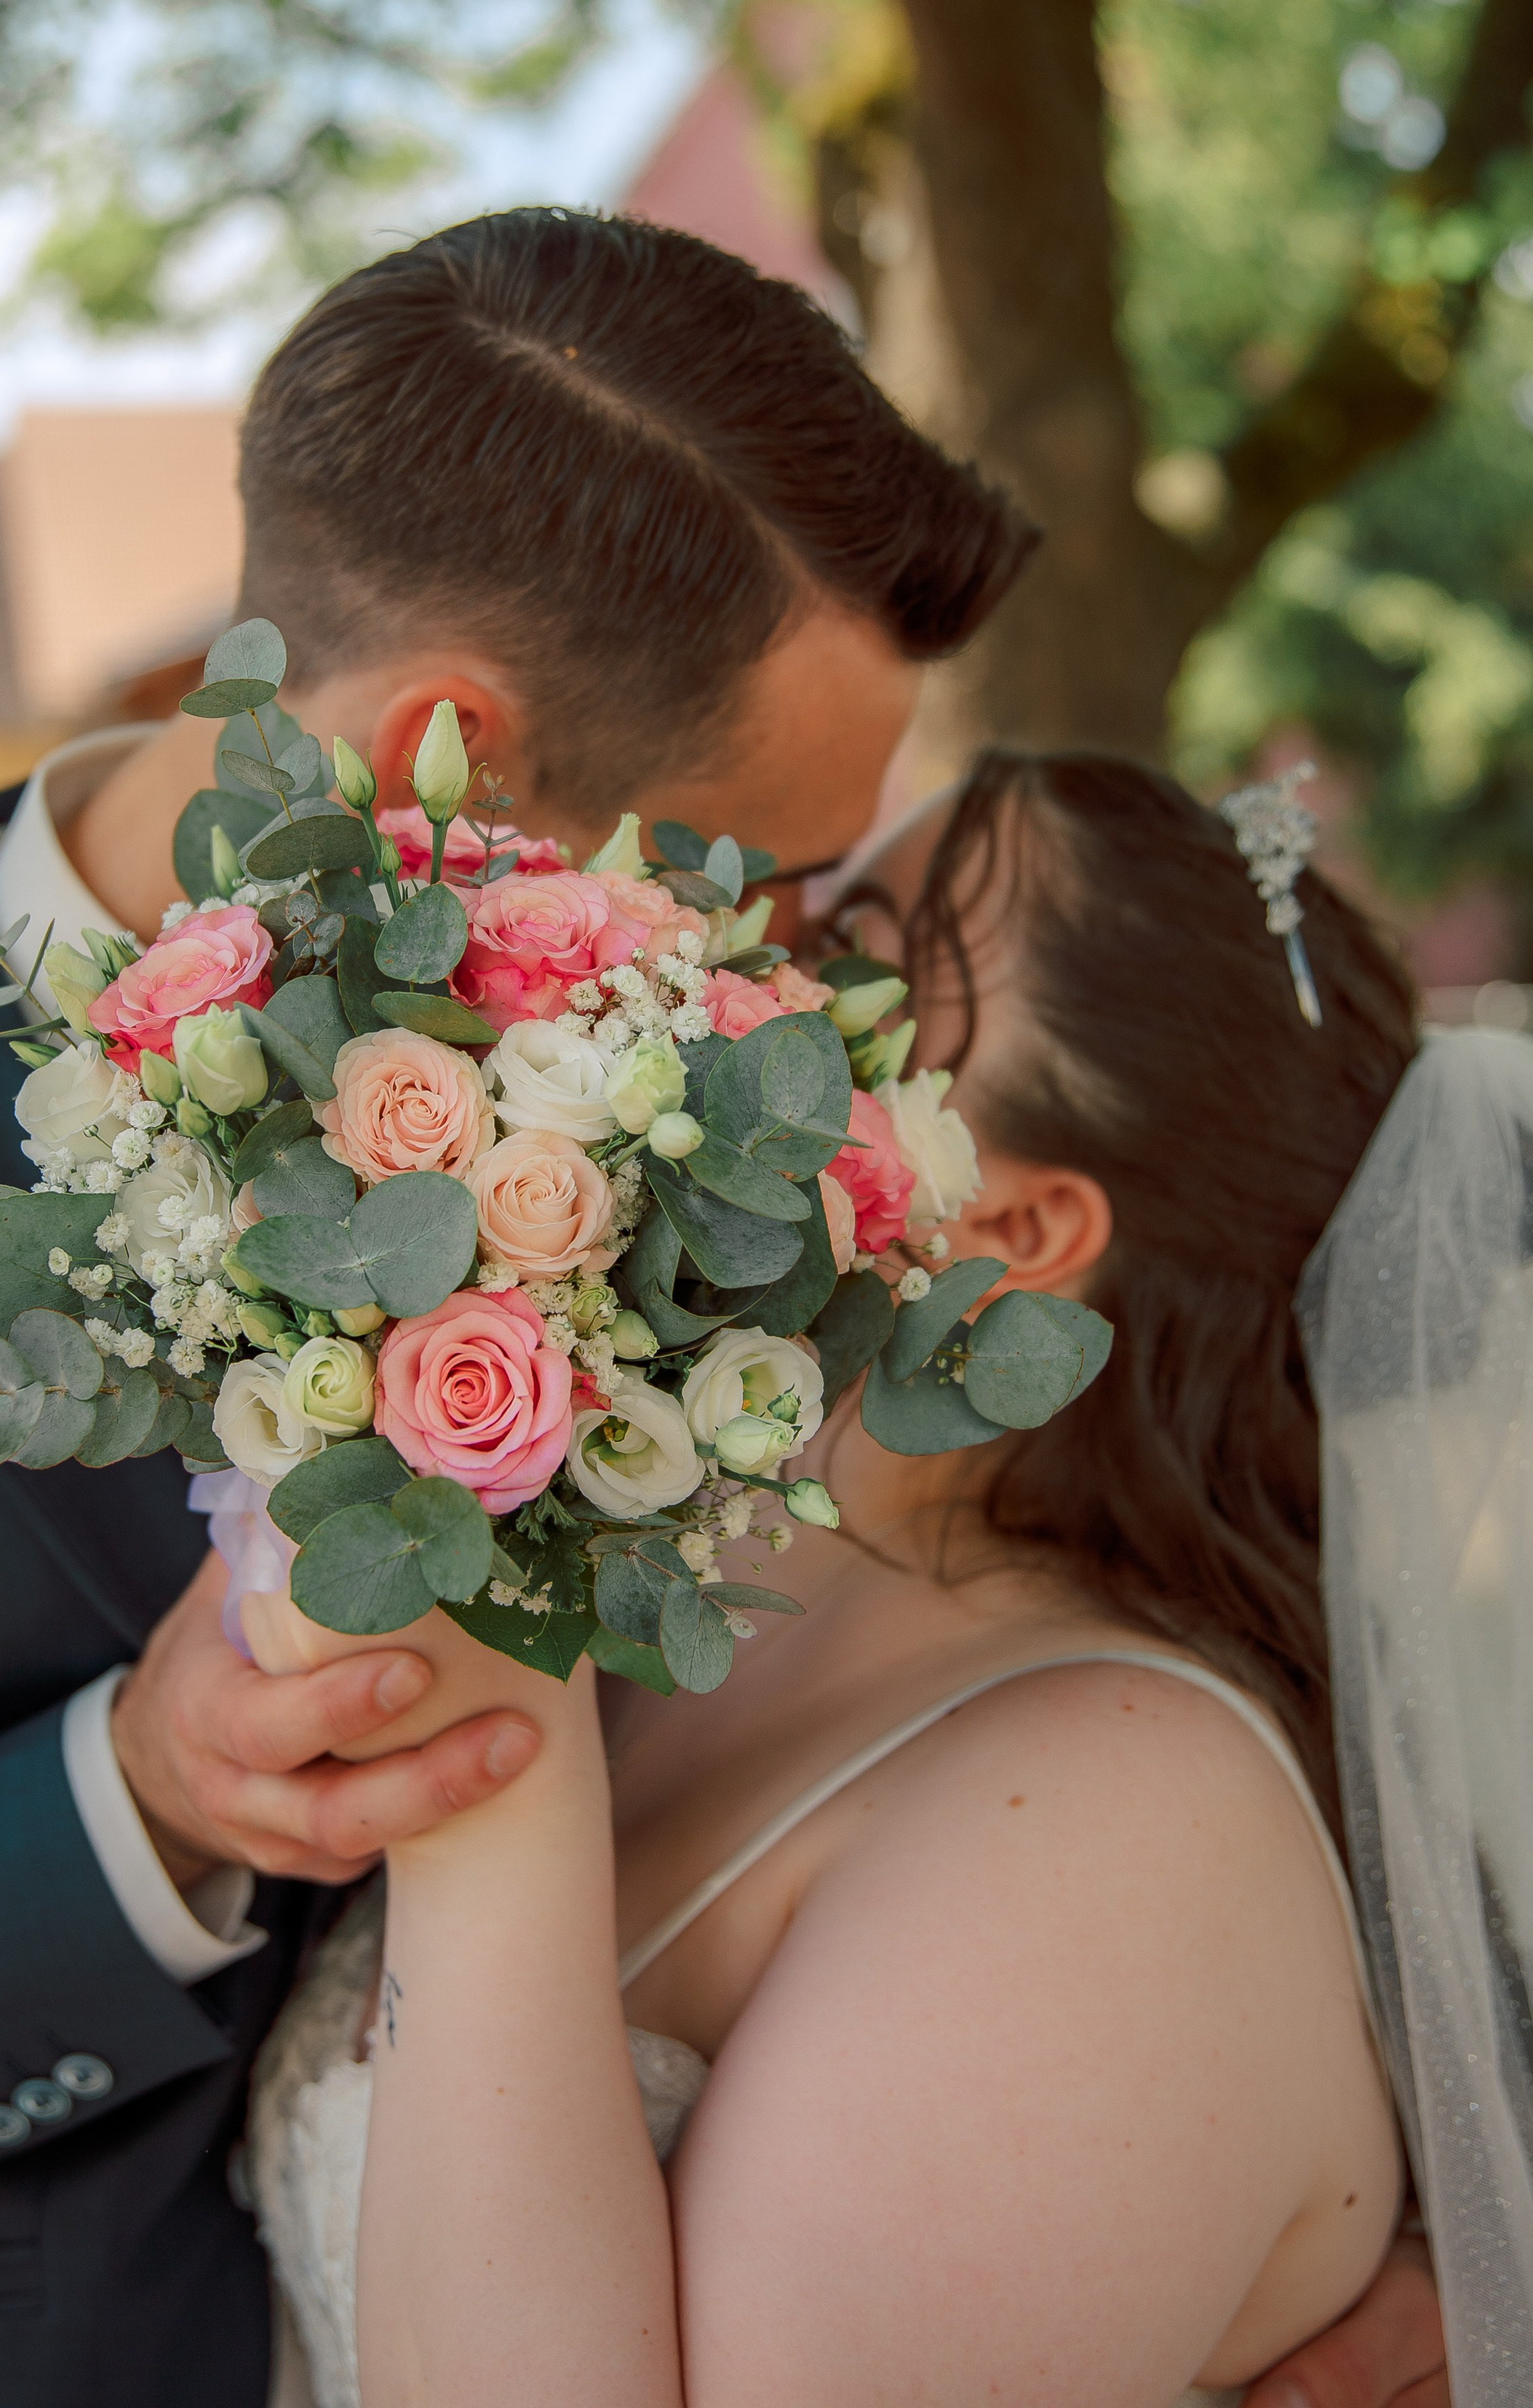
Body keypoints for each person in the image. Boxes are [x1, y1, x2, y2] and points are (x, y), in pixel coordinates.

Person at [0, 210, 1032, 2408]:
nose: (804, 978)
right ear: (451, 764)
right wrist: (137, 1798)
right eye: (747, 876)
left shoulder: (754, 1146)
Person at [244, 746, 1445, 2408]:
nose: (759, 963)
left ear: (1017, 1232)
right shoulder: (702, 1544)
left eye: (870, 959)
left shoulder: (1119, 1831)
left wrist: (484, 1809)